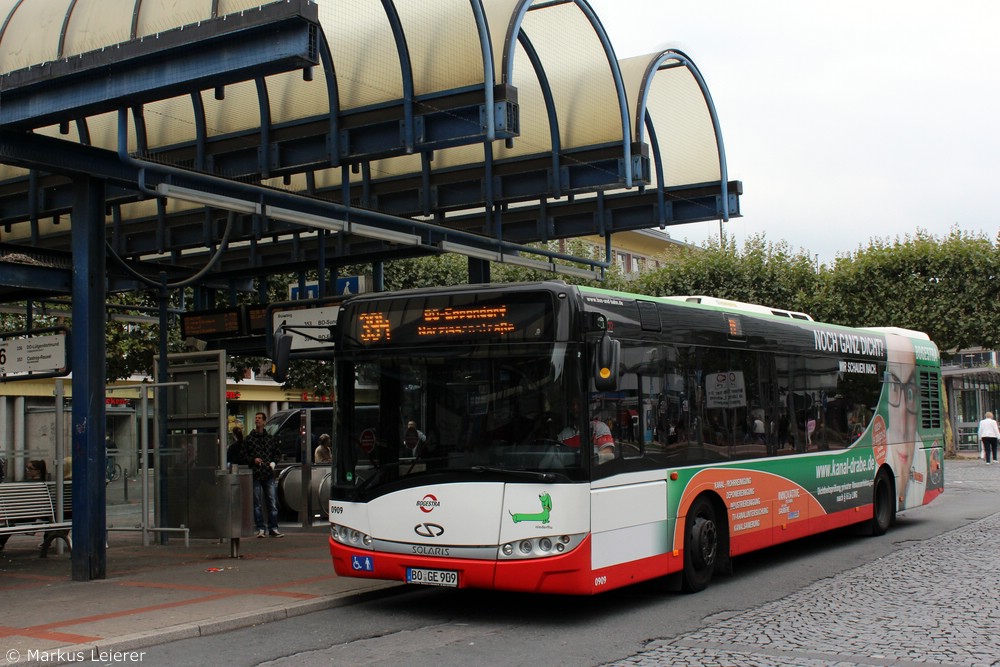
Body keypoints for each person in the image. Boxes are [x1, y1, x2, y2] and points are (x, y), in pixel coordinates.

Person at [245, 411, 283, 538]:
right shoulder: (250, 439)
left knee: (271, 502)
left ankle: (272, 527)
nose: (257, 420)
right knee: (258, 503)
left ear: (264, 421)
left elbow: (277, 453)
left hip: (267, 473)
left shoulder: (270, 439)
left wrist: (273, 462)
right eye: (256, 418)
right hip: (257, 473)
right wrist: (253, 460)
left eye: (259, 418)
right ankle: (261, 528)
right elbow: (244, 455)